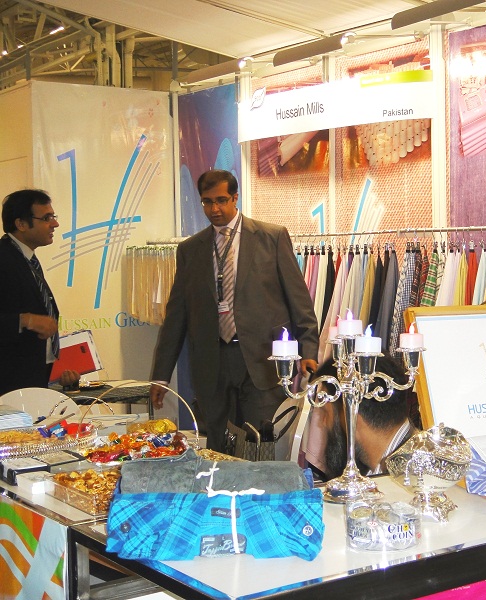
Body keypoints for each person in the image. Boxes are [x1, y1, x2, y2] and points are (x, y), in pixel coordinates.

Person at [150, 169, 319, 452]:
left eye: (221, 200)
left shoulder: (271, 237)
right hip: (212, 361)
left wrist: (309, 349)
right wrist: (161, 375)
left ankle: (258, 482)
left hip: (261, 358)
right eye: (207, 202)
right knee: (218, 446)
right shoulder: (190, 250)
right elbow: (176, 316)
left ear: (235, 198)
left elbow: (299, 300)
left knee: (259, 444)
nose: (214, 209)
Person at [0, 189, 79, 395]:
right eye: (46, 218)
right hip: (10, 386)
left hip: (33, 378)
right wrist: (24, 320)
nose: (55, 224)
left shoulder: (26, 259)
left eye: (53, 216)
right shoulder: (4, 258)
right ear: (21, 224)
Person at [311, 355, 418, 479]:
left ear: (350, 416)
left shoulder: (410, 479)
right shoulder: (379, 470)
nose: (323, 423)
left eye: (325, 413)